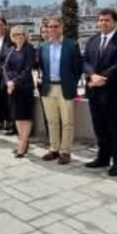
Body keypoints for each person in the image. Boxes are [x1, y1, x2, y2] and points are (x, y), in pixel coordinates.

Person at [82, 9, 117, 176]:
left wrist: (102, 77)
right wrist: (92, 75)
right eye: (101, 20)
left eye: (107, 20)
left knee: (115, 129)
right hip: (94, 93)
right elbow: (85, 61)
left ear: (115, 22)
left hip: (114, 93)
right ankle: (103, 157)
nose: (103, 23)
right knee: (100, 127)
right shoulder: (92, 40)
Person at [37, 17, 84, 165]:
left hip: (65, 88)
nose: (53, 29)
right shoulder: (43, 46)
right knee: (52, 121)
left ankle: (65, 151)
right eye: (50, 27)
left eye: (56, 26)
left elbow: (78, 68)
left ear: (62, 27)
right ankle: (54, 148)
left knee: (67, 122)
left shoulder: (72, 45)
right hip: (48, 88)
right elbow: (41, 66)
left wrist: (72, 84)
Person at [4, 26, 36, 157]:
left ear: (25, 35)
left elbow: (27, 70)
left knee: (25, 116)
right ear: (12, 37)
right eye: (15, 35)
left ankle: (24, 142)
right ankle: (20, 139)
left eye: (21, 34)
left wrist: (14, 82)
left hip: (25, 88)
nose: (18, 37)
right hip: (13, 88)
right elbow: (5, 68)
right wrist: (8, 82)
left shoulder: (29, 49)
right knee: (17, 116)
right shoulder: (11, 49)